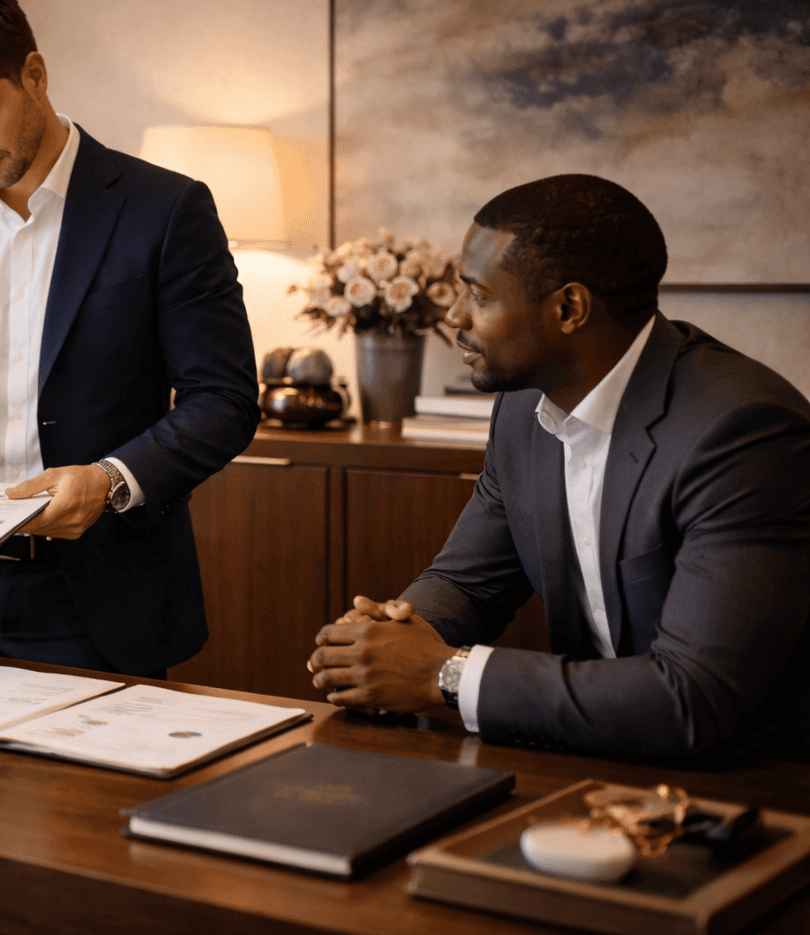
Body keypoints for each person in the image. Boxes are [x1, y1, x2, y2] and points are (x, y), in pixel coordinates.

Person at [308, 174, 810, 759]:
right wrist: (389, 640)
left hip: (753, 782)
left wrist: (441, 674)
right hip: (589, 754)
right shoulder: (524, 408)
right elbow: (468, 582)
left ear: (569, 308)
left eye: (480, 295)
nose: (454, 317)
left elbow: (694, 697)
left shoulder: (744, 433)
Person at [0, 0, 260, 676]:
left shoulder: (167, 210)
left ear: (34, 74)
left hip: (104, 595)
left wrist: (109, 479)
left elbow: (225, 400)